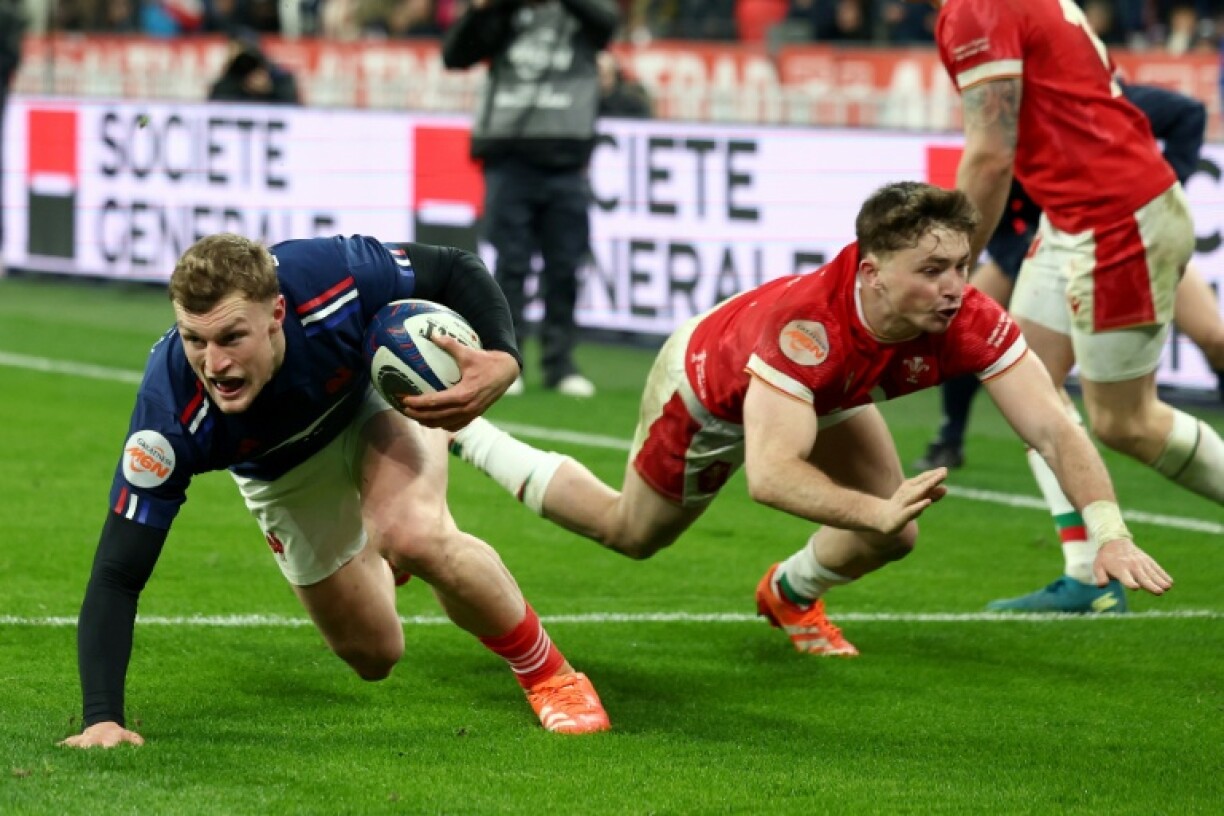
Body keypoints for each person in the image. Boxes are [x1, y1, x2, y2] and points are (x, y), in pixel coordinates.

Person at [449, 182, 1173, 657]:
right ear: (871, 273)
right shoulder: (809, 331)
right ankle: (468, 434)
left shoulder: (966, 316)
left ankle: (789, 594)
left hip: (829, 391)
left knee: (896, 533)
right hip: (711, 384)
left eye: (959, 264)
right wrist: (869, 508)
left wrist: (1108, 531)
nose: (954, 288)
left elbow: (1053, 426)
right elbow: (771, 476)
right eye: (931, 269)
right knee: (629, 533)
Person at [58, 233, 610, 749]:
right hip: (278, 473)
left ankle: (552, 677)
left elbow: (453, 268)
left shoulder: (332, 278)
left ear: (276, 315)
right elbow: (118, 573)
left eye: (231, 337)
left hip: (368, 403)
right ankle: (382, 529)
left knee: (414, 536)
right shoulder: (169, 419)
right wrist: (101, 717)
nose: (214, 363)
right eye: (194, 340)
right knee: (374, 655)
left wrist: (504, 355)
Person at [934, 0, 1224, 613]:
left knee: (1127, 422)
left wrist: (948, 265)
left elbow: (990, 156)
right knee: (1024, 381)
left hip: (1114, 222)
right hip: (1080, 218)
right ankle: (1089, 574)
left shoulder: (976, 10)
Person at [915, 81, 1224, 472]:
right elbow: (997, 212)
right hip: (1041, 249)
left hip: (1133, 237)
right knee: (966, 329)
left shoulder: (1105, 102)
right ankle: (950, 434)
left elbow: (1189, 114)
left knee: (1213, 338)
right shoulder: (1006, 130)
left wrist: (1165, 184)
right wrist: (1023, 257)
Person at [442, 0, 620, 399]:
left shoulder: (581, 13)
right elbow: (455, 55)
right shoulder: (502, 13)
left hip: (568, 160)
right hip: (510, 157)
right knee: (511, 266)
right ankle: (506, 358)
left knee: (565, 268)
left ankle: (560, 365)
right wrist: (485, 10)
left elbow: (607, 25)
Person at [207, 30, 301, 105]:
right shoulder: (229, 79)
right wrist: (241, 86)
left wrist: (269, 90)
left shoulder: (280, 77)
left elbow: (292, 107)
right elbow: (216, 105)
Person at [597, 50, 653, 119]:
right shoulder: (588, 100)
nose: (602, 80)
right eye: (599, 75)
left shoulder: (632, 100)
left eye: (606, 75)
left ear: (616, 74)